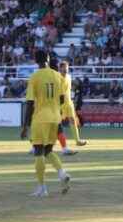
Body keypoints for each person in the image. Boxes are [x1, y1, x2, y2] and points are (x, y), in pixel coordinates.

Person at [20, 50, 71, 197]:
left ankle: (42, 188)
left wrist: (25, 126)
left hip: (40, 118)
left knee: (38, 151)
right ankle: (62, 173)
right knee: (48, 150)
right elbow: (62, 99)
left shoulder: (35, 77)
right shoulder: (57, 75)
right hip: (55, 118)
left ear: (36, 61)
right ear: (48, 59)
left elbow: (29, 103)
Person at [59, 61, 86, 148]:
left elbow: (70, 88)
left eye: (67, 68)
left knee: (73, 120)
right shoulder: (57, 78)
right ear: (60, 68)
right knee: (54, 123)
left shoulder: (69, 77)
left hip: (69, 102)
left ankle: (77, 140)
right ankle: (41, 141)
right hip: (60, 103)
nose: (66, 69)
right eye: (64, 68)